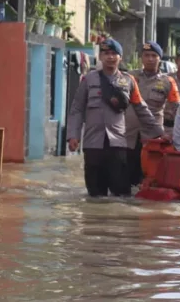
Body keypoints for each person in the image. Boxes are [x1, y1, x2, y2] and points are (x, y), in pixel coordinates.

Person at [66, 39, 164, 197]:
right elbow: (77, 109)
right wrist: (73, 136)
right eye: (106, 53)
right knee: (95, 195)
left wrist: (160, 133)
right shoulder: (89, 80)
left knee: (121, 194)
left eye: (114, 54)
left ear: (120, 57)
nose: (110, 57)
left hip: (117, 144)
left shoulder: (129, 81)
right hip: (92, 144)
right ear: (100, 56)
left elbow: (141, 109)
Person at [125, 41, 180, 186]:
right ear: (141, 58)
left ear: (159, 59)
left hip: (152, 137)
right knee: (124, 176)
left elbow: (176, 108)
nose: (150, 59)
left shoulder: (168, 82)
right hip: (127, 134)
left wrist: (171, 133)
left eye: (154, 56)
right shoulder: (130, 77)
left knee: (149, 178)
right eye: (146, 55)